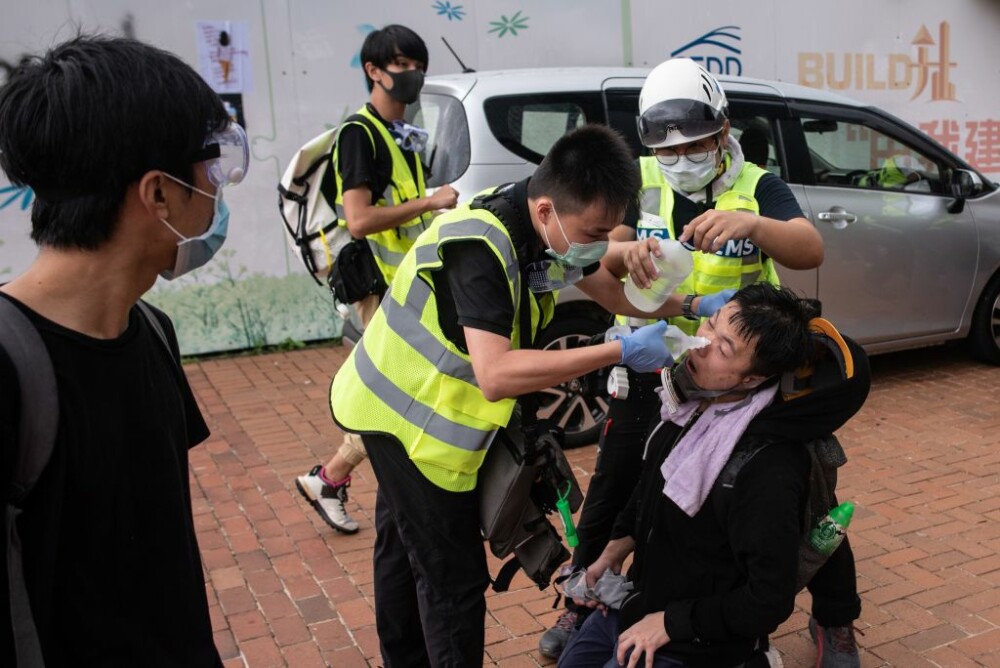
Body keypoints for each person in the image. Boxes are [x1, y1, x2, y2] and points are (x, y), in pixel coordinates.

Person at [327, 124, 733, 667]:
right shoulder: (482, 243)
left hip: (414, 412)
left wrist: (690, 305)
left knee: (404, 552)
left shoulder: (550, 235)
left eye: (609, 230)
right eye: (595, 231)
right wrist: (616, 352)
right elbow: (495, 374)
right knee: (452, 578)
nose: (602, 244)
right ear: (546, 210)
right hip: (408, 422)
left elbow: (611, 289)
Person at [540, 56, 837, 661]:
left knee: (797, 496)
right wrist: (629, 249)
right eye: (667, 150)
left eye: (695, 145)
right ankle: (584, 600)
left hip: (728, 373)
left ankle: (835, 617)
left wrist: (753, 224)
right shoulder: (642, 178)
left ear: (723, 132)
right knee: (620, 481)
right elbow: (599, 242)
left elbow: (810, 249)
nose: (680, 160)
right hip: (652, 362)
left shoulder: (756, 186)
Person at [0, 35, 249, 665]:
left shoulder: (152, 331)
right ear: (157, 195)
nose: (219, 191)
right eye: (212, 169)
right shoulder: (8, 370)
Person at [558, 283, 871, 668]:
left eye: (724, 348)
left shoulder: (766, 469)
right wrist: (609, 557)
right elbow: (650, 492)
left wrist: (672, 623)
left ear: (753, 380)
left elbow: (768, 601)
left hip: (696, 641)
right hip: (637, 605)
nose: (701, 343)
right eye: (709, 324)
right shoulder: (690, 408)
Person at [296, 24, 459, 535]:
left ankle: (329, 478)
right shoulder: (359, 135)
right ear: (373, 71)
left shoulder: (401, 134)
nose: (412, 75)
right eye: (402, 66)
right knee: (394, 399)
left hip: (409, 285)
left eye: (418, 66)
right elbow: (360, 219)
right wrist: (430, 202)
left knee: (398, 396)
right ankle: (334, 477)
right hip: (381, 291)